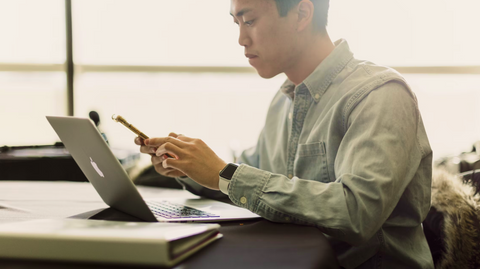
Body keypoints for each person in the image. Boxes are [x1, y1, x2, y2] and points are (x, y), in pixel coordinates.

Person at [135, 0, 434, 268]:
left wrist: (224, 174)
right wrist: (188, 167)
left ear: (302, 13)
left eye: (249, 20)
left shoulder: (378, 96)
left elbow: (356, 212)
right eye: (236, 23)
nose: (241, 39)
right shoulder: (283, 102)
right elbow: (248, 180)